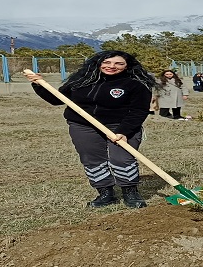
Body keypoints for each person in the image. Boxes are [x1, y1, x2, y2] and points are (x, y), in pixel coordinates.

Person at [26, 50, 155, 208]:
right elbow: (56, 99)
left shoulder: (135, 84)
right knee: (92, 159)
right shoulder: (82, 80)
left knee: (121, 158)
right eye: (107, 62)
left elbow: (139, 110)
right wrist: (38, 84)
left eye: (118, 63)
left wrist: (124, 131)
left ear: (127, 66)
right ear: (99, 63)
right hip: (83, 126)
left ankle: (130, 192)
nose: (111, 66)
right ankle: (105, 193)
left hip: (120, 126)